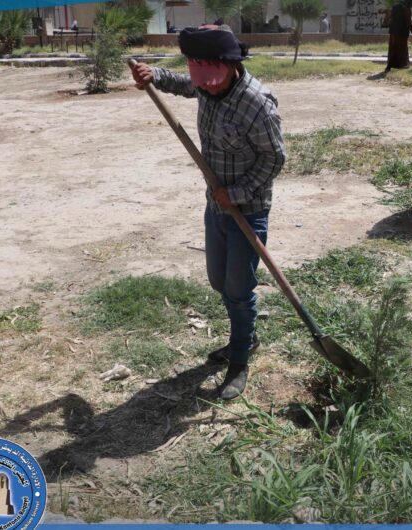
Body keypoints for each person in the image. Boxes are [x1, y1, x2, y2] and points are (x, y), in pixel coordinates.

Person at [130, 25, 285, 400]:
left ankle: (239, 358)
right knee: (219, 281)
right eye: (204, 81)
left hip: (248, 209)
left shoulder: (257, 103)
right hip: (216, 205)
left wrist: (237, 192)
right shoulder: (205, 82)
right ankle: (246, 335)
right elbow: (185, 84)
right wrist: (157, 76)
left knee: (238, 287)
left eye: (213, 81)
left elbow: (274, 158)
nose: (208, 88)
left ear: (231, 65)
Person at [384, 0, 412, 72]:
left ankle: (389, 66)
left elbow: (389, 17)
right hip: (401, 34)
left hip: (393, 32)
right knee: (401, 50)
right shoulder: (406, 9)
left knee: (393, 49)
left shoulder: (395, 7)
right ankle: (401, 66)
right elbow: (409, 22)